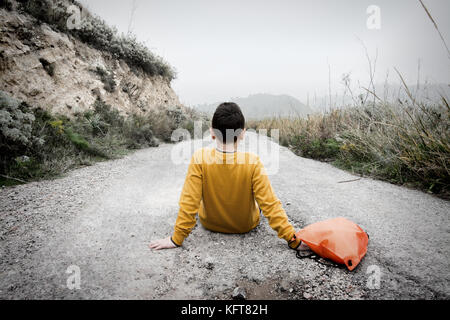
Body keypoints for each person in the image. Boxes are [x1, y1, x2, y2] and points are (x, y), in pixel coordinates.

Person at [149, 102, 306, 251]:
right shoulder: (253, 162)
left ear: (212, 133)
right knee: (259, 206)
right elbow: (270, 205)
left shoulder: (200, 158)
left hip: (209, 223)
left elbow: (189, 202)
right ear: (243, 134)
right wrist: (293, 240)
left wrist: (176, 239)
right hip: (245, 226)